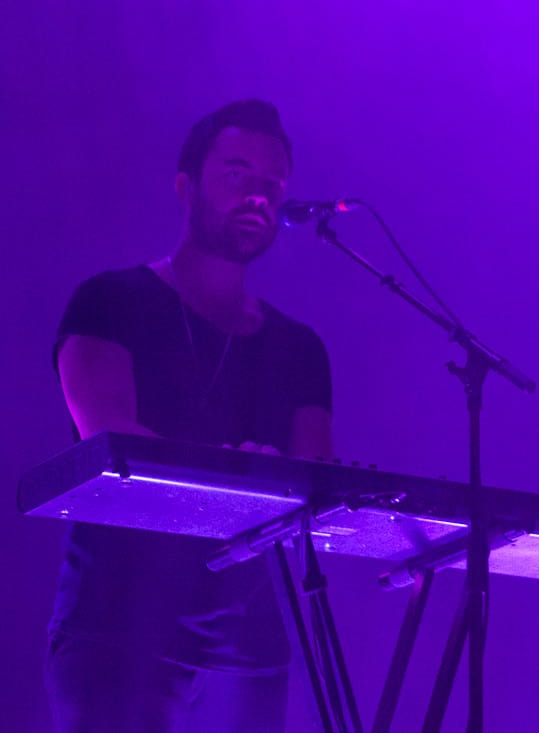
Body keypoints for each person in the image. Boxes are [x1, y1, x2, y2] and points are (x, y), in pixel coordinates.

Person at [45, 99, 335, 733]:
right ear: (185, 186)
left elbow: (313, 481)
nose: (257, 196)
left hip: (248, 649)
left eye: (272, 184)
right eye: (236, 176)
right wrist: (252, 476)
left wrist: (282, 478)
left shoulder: (300, 348)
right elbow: (116, 446)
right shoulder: (108, 302)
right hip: (116, 629)